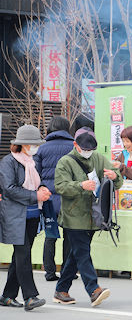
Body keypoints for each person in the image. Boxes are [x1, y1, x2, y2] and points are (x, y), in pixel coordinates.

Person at [52, 127, 122, 307]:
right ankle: (93, 289)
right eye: (85, 149)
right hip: (73, 216)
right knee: (82, 253)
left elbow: (118, 180)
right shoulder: (65, 162)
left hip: (94, 215)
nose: (88, 153)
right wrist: (80, 185)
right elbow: (60, 186)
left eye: (91, 149)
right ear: (76, 145)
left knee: (76, 255)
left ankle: (61, 290)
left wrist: (115, 176)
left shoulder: (98, 158)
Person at [0, 124, 51, 311]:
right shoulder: (8, 162)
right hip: (15, 216)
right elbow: (9, 189)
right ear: (22, 144)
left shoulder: (32, 162)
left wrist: (42, 189)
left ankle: (7, 296)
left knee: (19, 256)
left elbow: (35, 183)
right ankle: (30, 297)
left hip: (32, 216)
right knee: (23, 255)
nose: (35, 147)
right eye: (33, 144)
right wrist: (34, 196)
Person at [34, 116, 74, 282]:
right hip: (69, 199)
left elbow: (35, 174)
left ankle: (50, 272)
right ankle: (67, 271)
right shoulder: (74, 147)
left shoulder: (42, 148)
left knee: (50, 236)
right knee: (69, 237)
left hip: (49, 199)